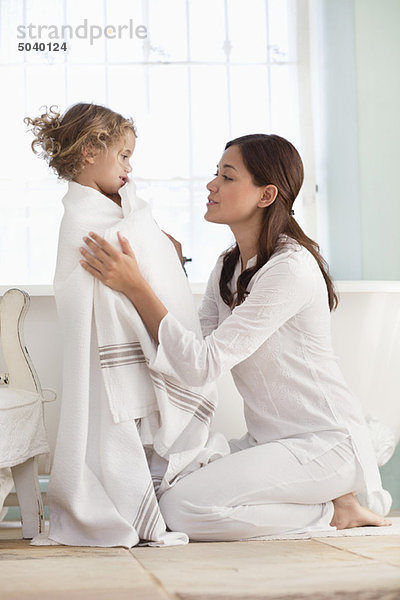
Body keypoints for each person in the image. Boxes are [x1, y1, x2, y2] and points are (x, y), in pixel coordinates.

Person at [79, 133, 392, 541]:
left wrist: (137, 286)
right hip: (267, 442)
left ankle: (330, 511)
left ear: (266, 195)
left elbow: (200, 365)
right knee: (157, 487)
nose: (212, 186)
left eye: (227, 177)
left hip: (325, 444)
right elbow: (191, 348)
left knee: (183, 509)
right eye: (216, 175)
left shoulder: (290, 269)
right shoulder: (228, 265)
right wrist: (163, 268)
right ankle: (334, 502)